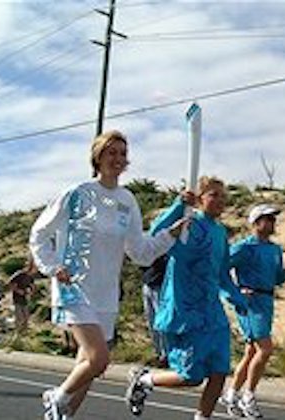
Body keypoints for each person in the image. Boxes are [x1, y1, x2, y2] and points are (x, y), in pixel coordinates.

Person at [30, 130, 184, 420]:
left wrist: (170, 235)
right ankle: (57, 396)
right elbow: (39, 233)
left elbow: (139, 251)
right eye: (111, 152)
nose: (118, 158)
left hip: (105, 292)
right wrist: (52, 266)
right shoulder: (77, 193)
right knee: (99, 360)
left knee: (87, 364)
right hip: (72, 286)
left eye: (123, 153)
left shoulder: (127, 200)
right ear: (97, 157)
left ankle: (62, 415)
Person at [125, 177, 249, 420]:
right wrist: (178, 206)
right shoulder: (187, 223)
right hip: (185, 310)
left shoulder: (220, 232)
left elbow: (222, 272)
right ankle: (144, 380)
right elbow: (154, 233)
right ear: (201, 198)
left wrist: (236, 298)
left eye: (223, 196)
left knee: (219, 370)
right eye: (214, 195)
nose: (220, 200)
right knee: (191, 376)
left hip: (212, 311)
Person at [221, 204, 285, 418]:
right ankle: (249, 396)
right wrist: (234, 293)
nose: (272, 222)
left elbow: (275, 279)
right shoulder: (245, 247)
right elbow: (220, 269)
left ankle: (232, 393)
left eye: (273, 219)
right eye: (268, 218)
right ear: (255, 222)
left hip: (266, 300)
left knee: (251, 352)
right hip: (251, 302)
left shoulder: (274, 249)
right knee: (265, 349)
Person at [141, 253, 169, 367]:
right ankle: (158, 352)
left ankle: (165, 354)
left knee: (161, 321)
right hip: (148, 283)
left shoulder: (166, 244)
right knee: (151, 321)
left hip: (161, 285)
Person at [9, 257, 37, 332]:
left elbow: (32, 286)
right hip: (17, 299)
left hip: (25, 299)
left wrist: (31, 292)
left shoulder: (30, 277)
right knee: (19, 317)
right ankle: (18, 334)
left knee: (26, 317)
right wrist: (18, 291)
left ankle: (24, 334)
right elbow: (11, 284)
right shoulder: (19, 274)